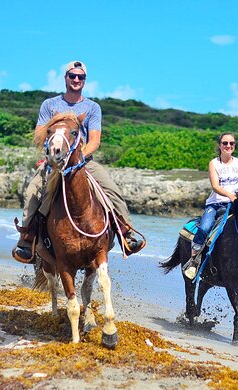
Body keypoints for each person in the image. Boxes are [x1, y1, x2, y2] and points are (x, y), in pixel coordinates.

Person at [12, 60, 144, 263]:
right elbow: (40, 135)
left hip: (83, 161)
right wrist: (52, 156)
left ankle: (126, 234)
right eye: (72, 76)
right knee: (32, 192)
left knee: (112, 190)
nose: (76, 79)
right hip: (54, 162)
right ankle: (26, 240)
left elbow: (95, 140)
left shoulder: (92, 107)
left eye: (80, 77)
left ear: (84, 80)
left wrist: (78, 157)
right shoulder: (49, 105)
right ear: (65, 78)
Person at [183, 133, 238, 281]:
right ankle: (194, 262)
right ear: (219, 145)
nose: (228, 146)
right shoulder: (214, 163)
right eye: (225, 143)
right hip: (216, 203)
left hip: (237, 203)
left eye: (231, 143)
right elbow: (215, 186)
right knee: (205, 228)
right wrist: (230, 195)